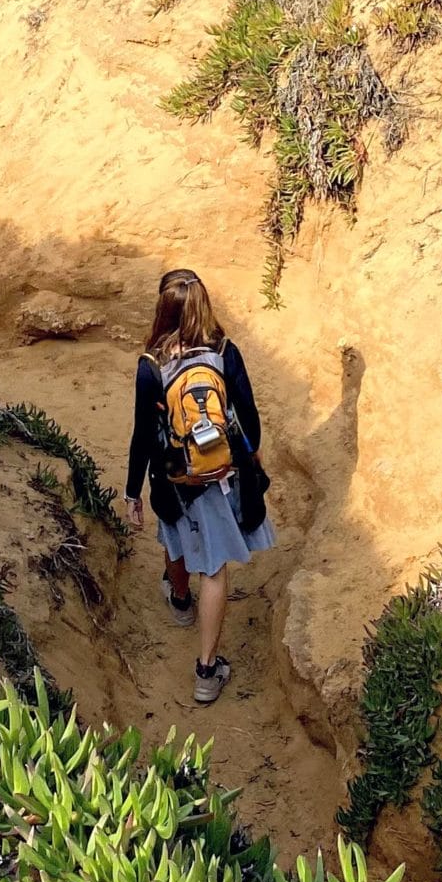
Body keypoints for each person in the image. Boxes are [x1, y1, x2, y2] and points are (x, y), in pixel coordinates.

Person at [123, 268, 272, 705]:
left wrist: (134, 492)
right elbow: (249, 415)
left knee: (175, 532)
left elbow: (141, 436)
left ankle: (180, 600)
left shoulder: (151, 366)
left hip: (175, 474)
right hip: (221, 475)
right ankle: (207, 672)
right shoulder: (225, 352)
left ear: (162, 309)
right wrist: (249, 454)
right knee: (215, 568)